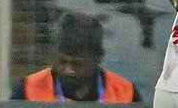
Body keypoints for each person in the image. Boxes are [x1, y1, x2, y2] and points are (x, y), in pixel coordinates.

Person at [12, 11, 141, 103]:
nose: (68, 70)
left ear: (98, 57)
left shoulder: (126, 95)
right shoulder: (27, 91)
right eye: (62, 62)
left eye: (77, 64)